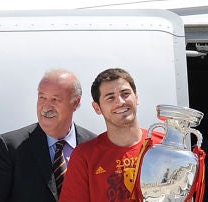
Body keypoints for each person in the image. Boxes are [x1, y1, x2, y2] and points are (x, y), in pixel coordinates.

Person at [0, 69, 96, 202]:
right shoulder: (10, 147)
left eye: (55, 99)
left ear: (75, 102)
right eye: (42, 97)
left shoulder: (95, 147)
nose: (46, 107)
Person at [59, 68, 163, 202]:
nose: (120, 102)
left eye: (125, 94)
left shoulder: (164, 145)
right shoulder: (84, 156)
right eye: (110, 97)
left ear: (136, 97)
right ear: (97, 108)